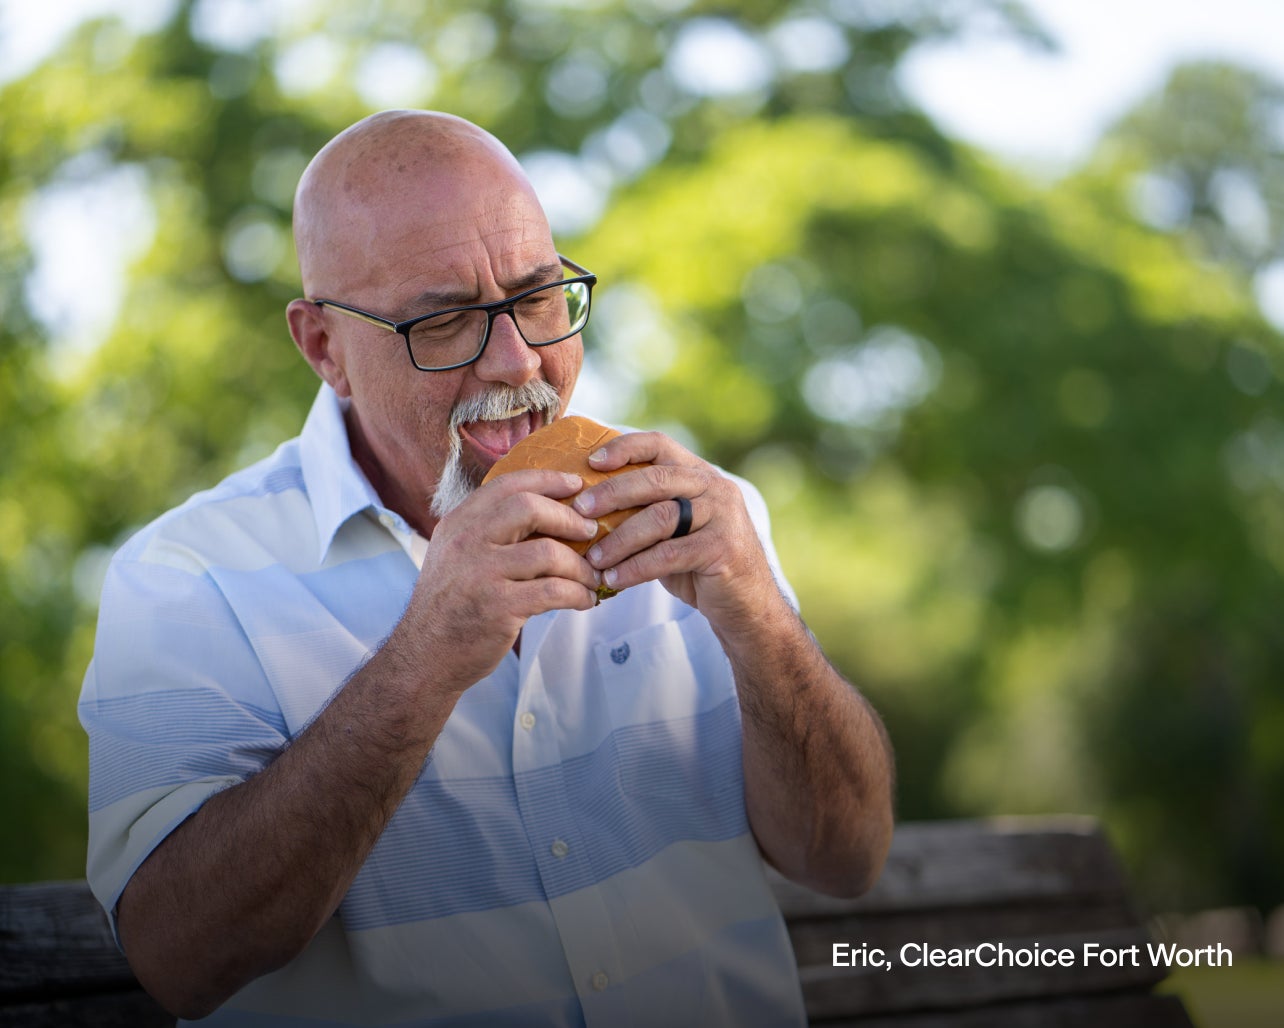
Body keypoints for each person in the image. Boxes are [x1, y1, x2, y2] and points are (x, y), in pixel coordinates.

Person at [79, 109, 894, 1027]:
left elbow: (846, 859)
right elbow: (181, 959)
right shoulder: (188, 576)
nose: (516, 360)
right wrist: (424, 659)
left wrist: (762, 624)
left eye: (539, 297)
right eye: (447, 320)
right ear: (324, 348)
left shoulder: (702, 513)